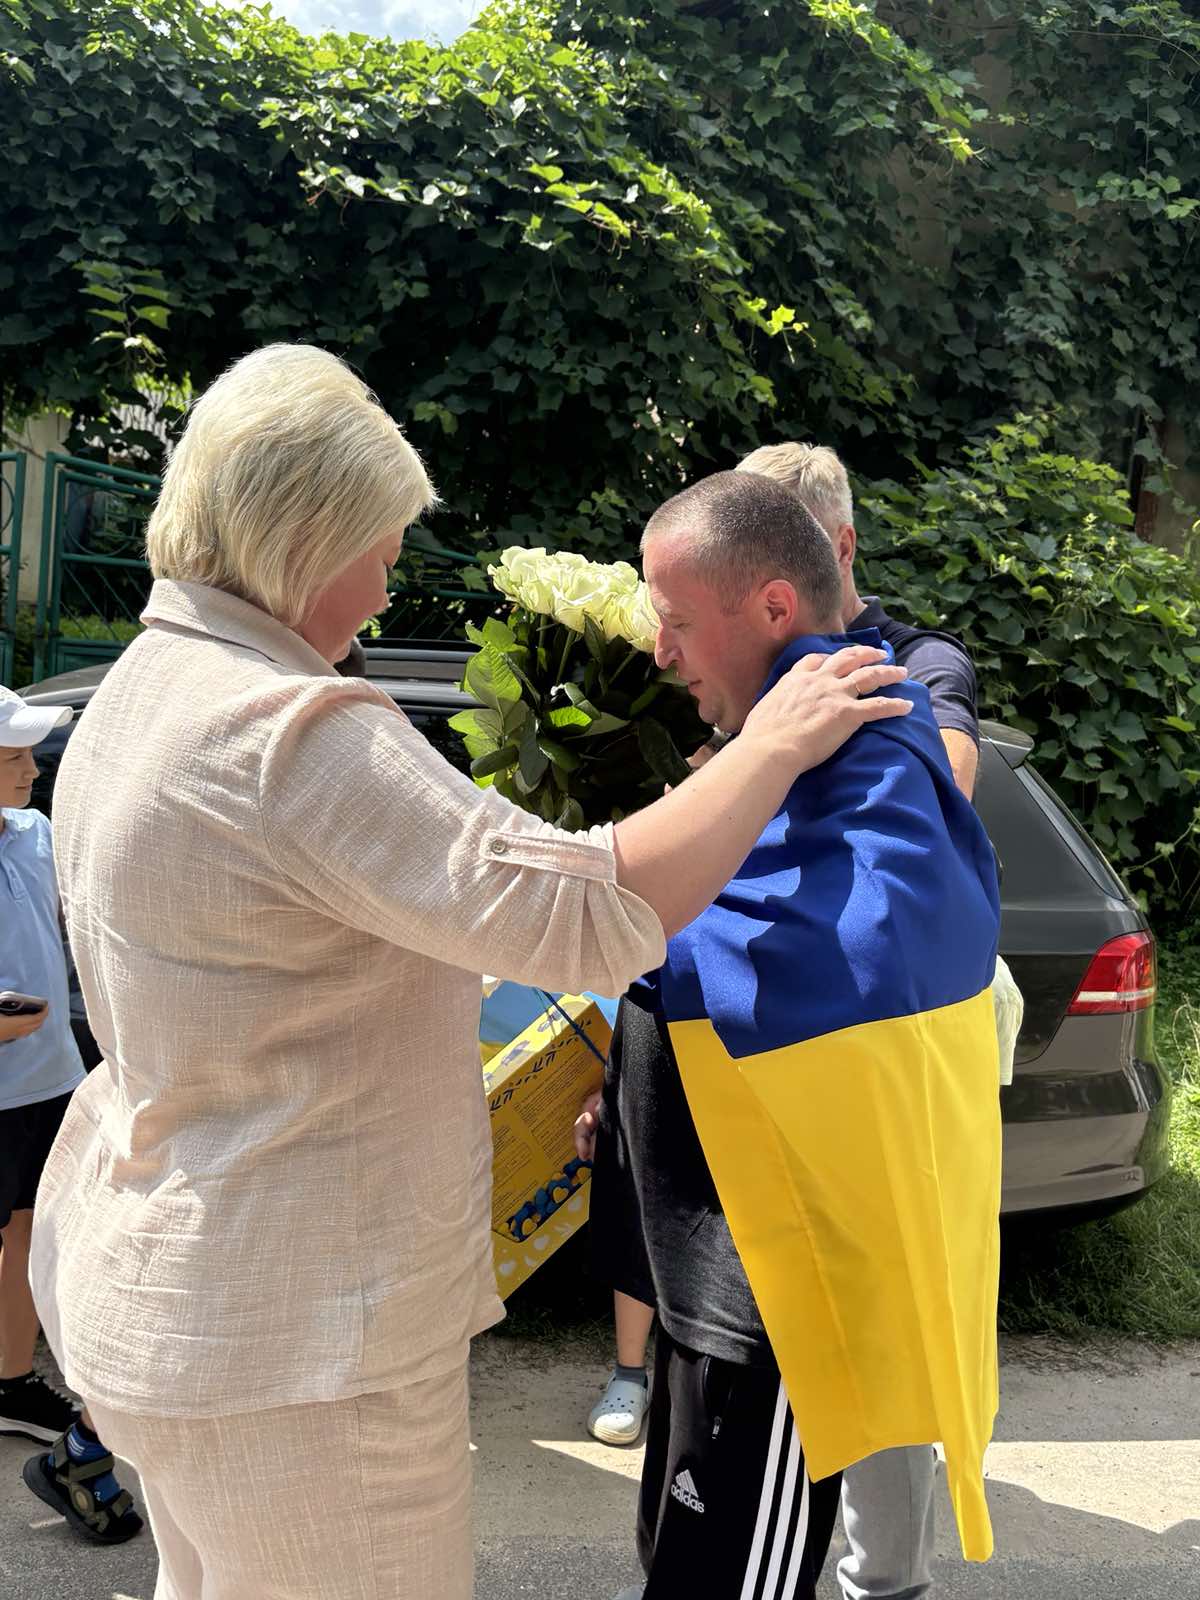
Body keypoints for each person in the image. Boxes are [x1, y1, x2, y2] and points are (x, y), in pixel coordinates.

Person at [28, 343, 912, 1600]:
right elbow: (587, 907)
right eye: (381, 547)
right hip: (304, 1350)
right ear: (304, 537)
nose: (390, 583)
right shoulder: (286, 730)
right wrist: (769, 745)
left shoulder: (143, 687)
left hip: (172, 1291)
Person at [585, 471, 1002, 1600]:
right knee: (680, 1562)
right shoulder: (770, 747)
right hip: (702, 1268)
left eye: (676, 620)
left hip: (768, 1287)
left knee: (730, 1578)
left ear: (774, 607)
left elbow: (866, 958)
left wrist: (648, 939)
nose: (661, 652)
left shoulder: (863, 732)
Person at [0, 688, 142, 1545]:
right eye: (13, 756)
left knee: (35, 1232)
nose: (31, 767)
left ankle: (11, 1380)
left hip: (49, 1078)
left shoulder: (36, 833)